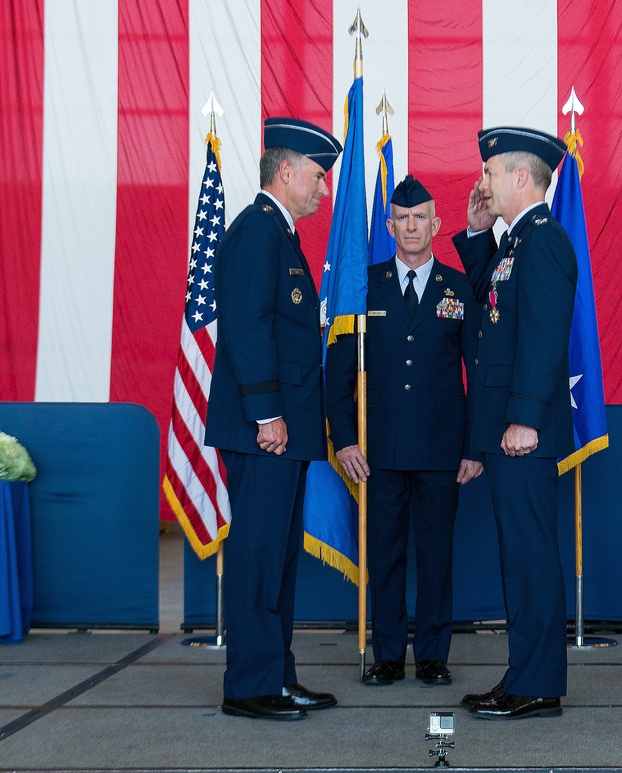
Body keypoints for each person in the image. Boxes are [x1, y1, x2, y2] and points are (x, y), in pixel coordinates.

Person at [205, 117, 342, 721]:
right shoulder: (257, 232)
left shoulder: (278, 234)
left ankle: (275, 675)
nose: (322, 190)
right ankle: (251, 687)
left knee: (278, 563)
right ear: (285, 172)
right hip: (264, 430)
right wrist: (267, 414)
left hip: (280, 432)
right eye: (317, 176)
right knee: (259, 557)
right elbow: (245, 327)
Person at [326, 175, 482, 687]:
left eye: (421, 218)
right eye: (402, 218)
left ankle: (433, 655)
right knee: (385, 556)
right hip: (379, 449)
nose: (411, 226)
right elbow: (339, 371)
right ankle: (389, 654)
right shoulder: (362, 286)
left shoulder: (458, 288)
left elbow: (478, 373)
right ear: (388, 225)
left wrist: (476, 446)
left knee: (436, 557)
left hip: (441, 450)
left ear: (437, 225)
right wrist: (345, 438)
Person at [451, 126, 577, 720]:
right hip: (507, 429)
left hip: (523, 433)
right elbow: (493, 310)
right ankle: (524, 674)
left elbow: (545, 338)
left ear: (520, 177)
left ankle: (539, 683)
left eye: (492, 172)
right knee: (518, 558)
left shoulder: (544, 241)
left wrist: (525, 418)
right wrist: (478, 237)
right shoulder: (516, 242)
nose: (484, 182)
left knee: (531, 557)